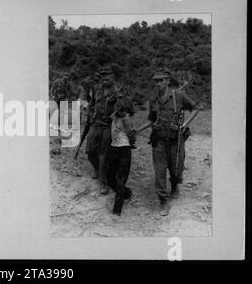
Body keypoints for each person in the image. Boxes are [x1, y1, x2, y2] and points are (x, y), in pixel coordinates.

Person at [134, 68, 199, 216]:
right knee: (159, 172)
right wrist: (138, 129)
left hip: (176, 140)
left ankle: (175, 185)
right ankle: (163, 201)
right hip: (159, 141)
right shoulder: (154, 100)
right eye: (156, 81)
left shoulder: (179, 95)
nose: (158, 84)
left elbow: (195, 108)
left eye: (160, 80)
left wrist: (186, 123)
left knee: (177, 170)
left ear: (167, 81)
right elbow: (151, 119)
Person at [85, 67, 118, 194]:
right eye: (103, 79)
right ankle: (96, 168)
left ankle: (104, 182)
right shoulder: (96, 88)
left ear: (112, 78)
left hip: (109, 125)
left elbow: (122, 106)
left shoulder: (117, 91)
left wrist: (116, 114)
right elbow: (91, 103)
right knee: (89, 150)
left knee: (104, 155)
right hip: (95, 123)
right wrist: (88, 114)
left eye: (108, 79)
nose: (105, 81)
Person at [106, 86, 136, 215]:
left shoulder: (126, 118)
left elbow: (131, 134)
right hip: (114, 148)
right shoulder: (115, 115)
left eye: (119, 103)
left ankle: (117, 209)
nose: (117, 104)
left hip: (123, 149)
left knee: (120, 179)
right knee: (110, 177)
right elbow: (110, 107)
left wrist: (131, 142)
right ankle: (126, 193)